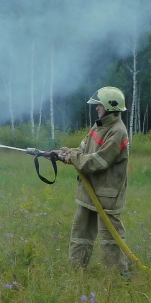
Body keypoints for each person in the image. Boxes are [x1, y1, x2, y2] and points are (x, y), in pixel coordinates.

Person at [57, 87, 131, 271]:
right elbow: (83, 150)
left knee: (110, 238)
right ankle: (76, 270)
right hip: (89, 190)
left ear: (110, 106)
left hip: (107, 194)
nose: (97, 108)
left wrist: (74, 157)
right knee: (80, 232)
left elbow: (99, 161)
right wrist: (67, 152)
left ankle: (116, 275)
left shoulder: (117, 132)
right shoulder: (98, 126)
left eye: (100, 105)